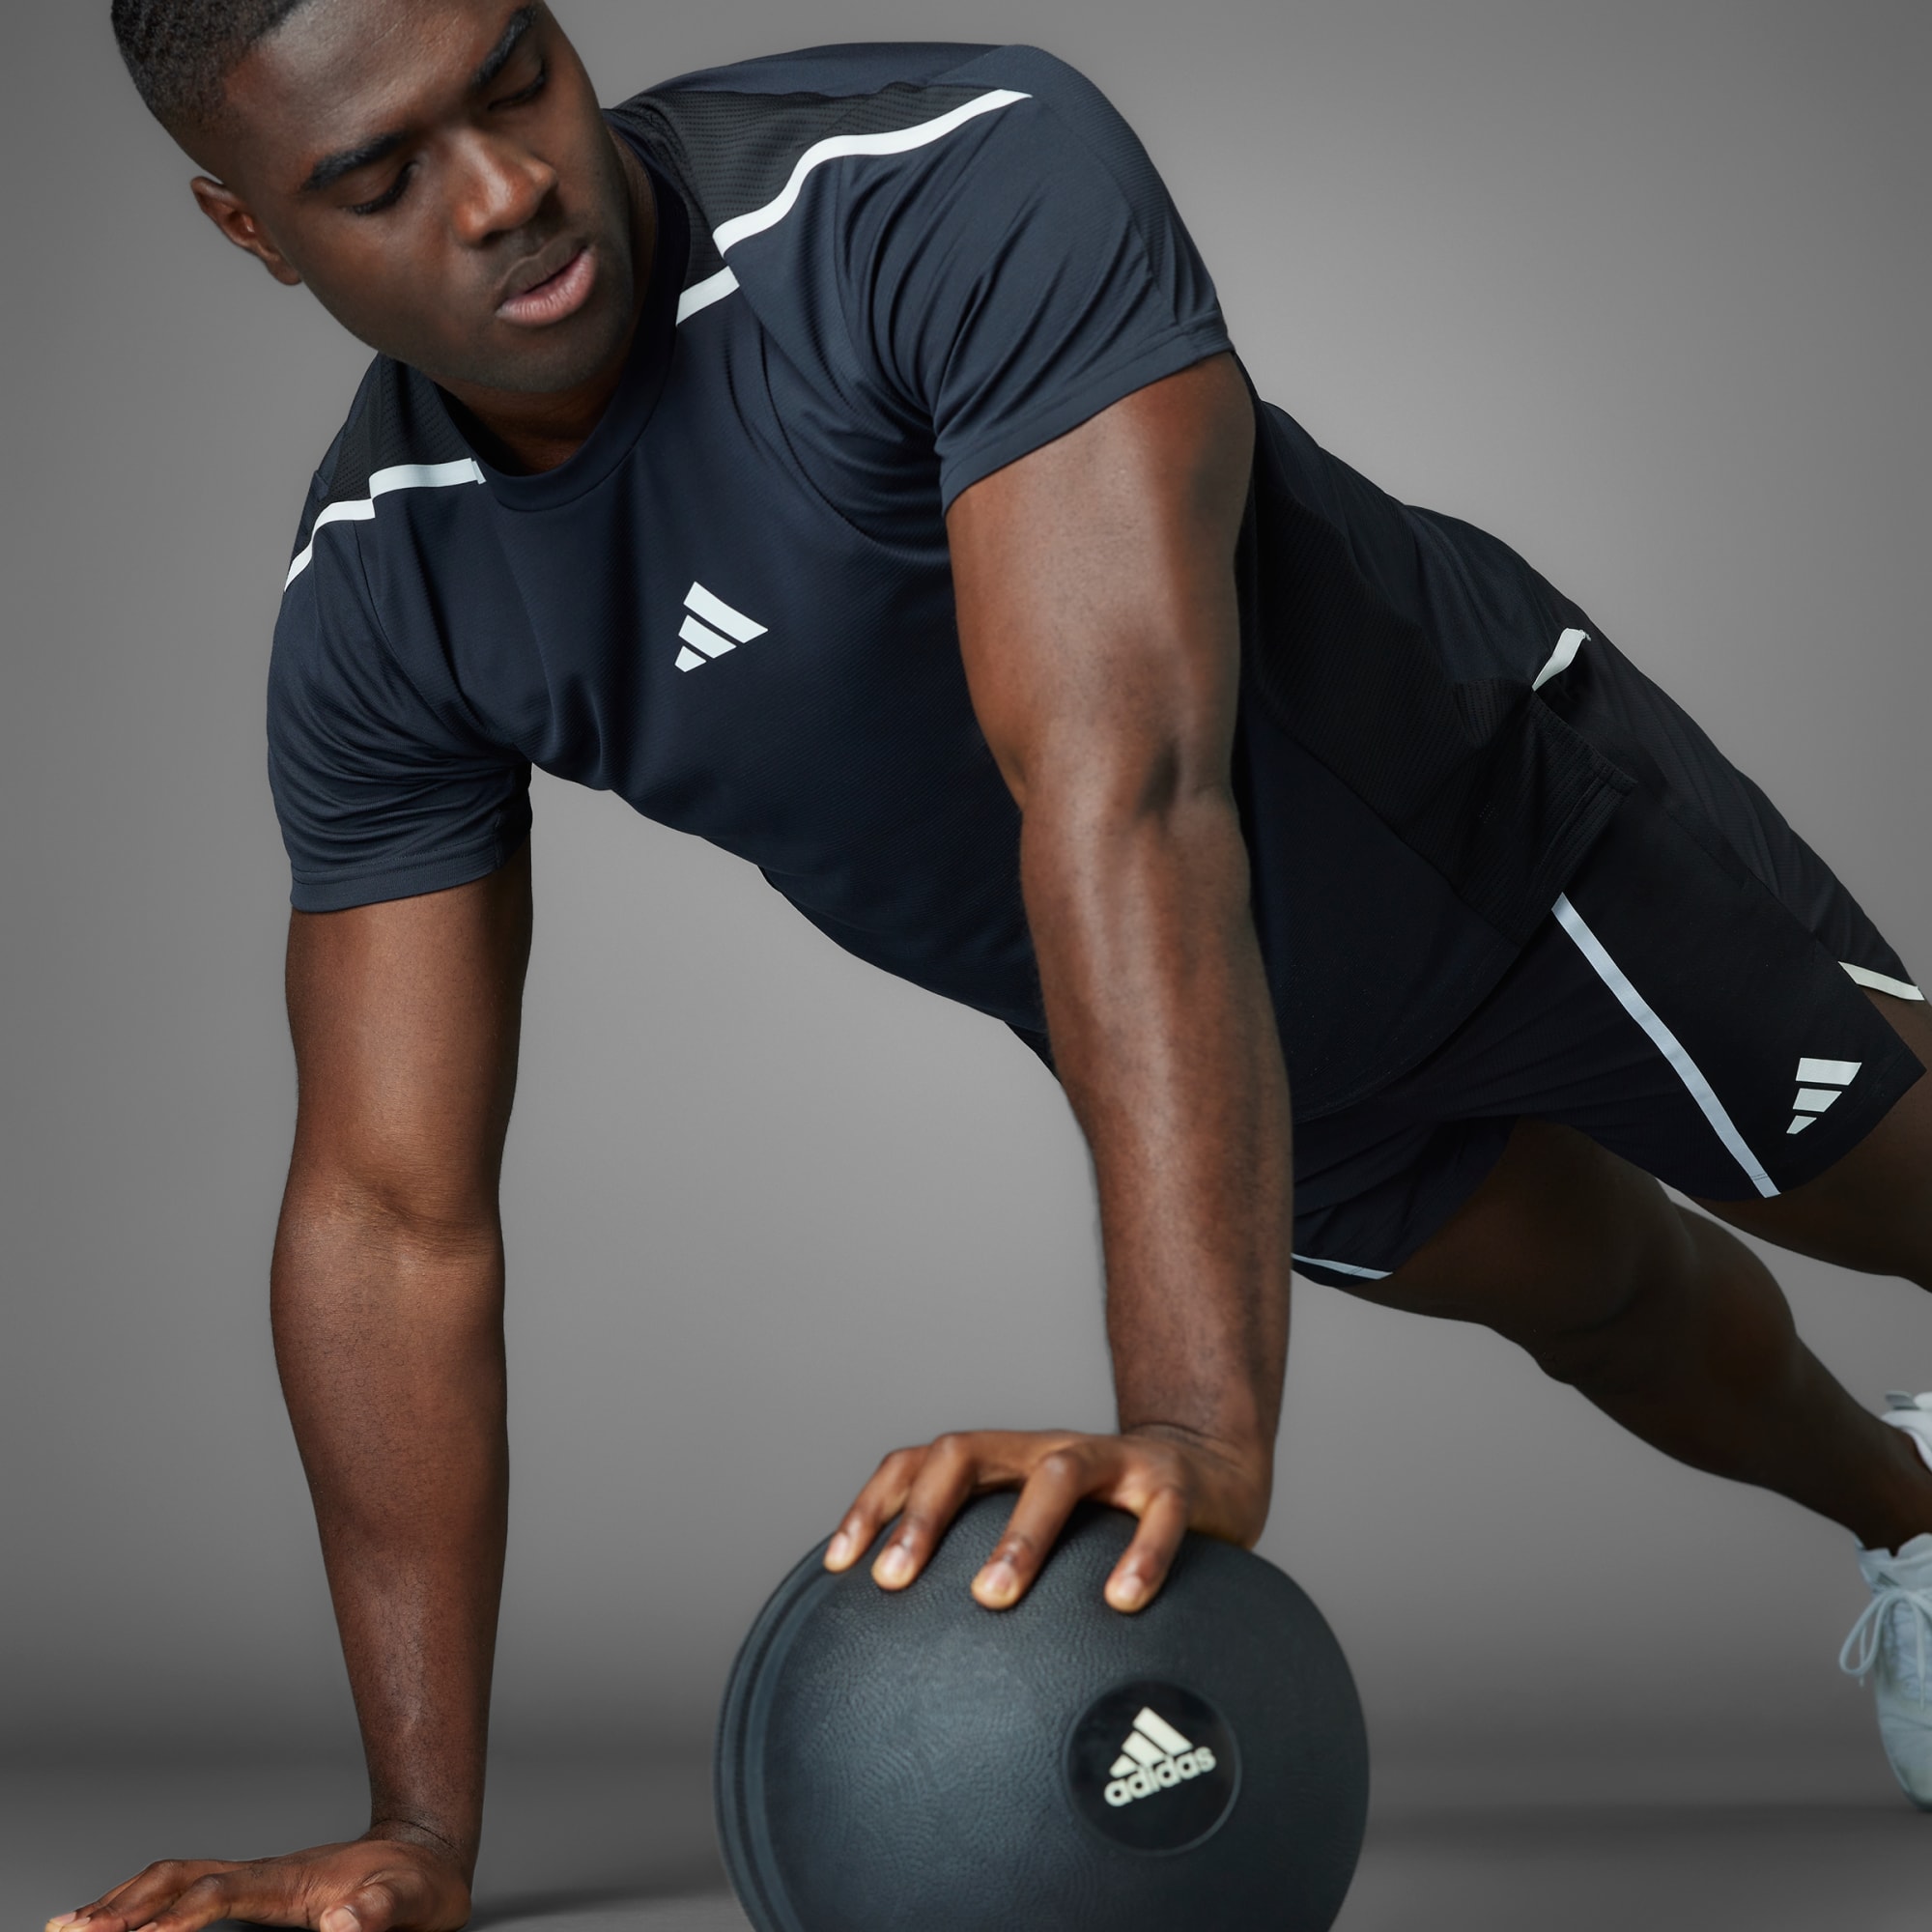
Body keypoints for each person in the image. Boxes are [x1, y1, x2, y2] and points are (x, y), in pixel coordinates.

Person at [49, 3, 1932, 1928]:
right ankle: (1919, 1520)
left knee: (1899, 1191)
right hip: (1216, 1052)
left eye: (515, 78)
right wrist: (419, 1832)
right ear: (253, 230)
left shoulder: (934, 178)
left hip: (1495, 833)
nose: (504, 190)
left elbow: (1128, 794)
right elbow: (390, 1213)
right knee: (1618, 1310)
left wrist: (1189, 1422)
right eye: (379, 178)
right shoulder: (388, 589)